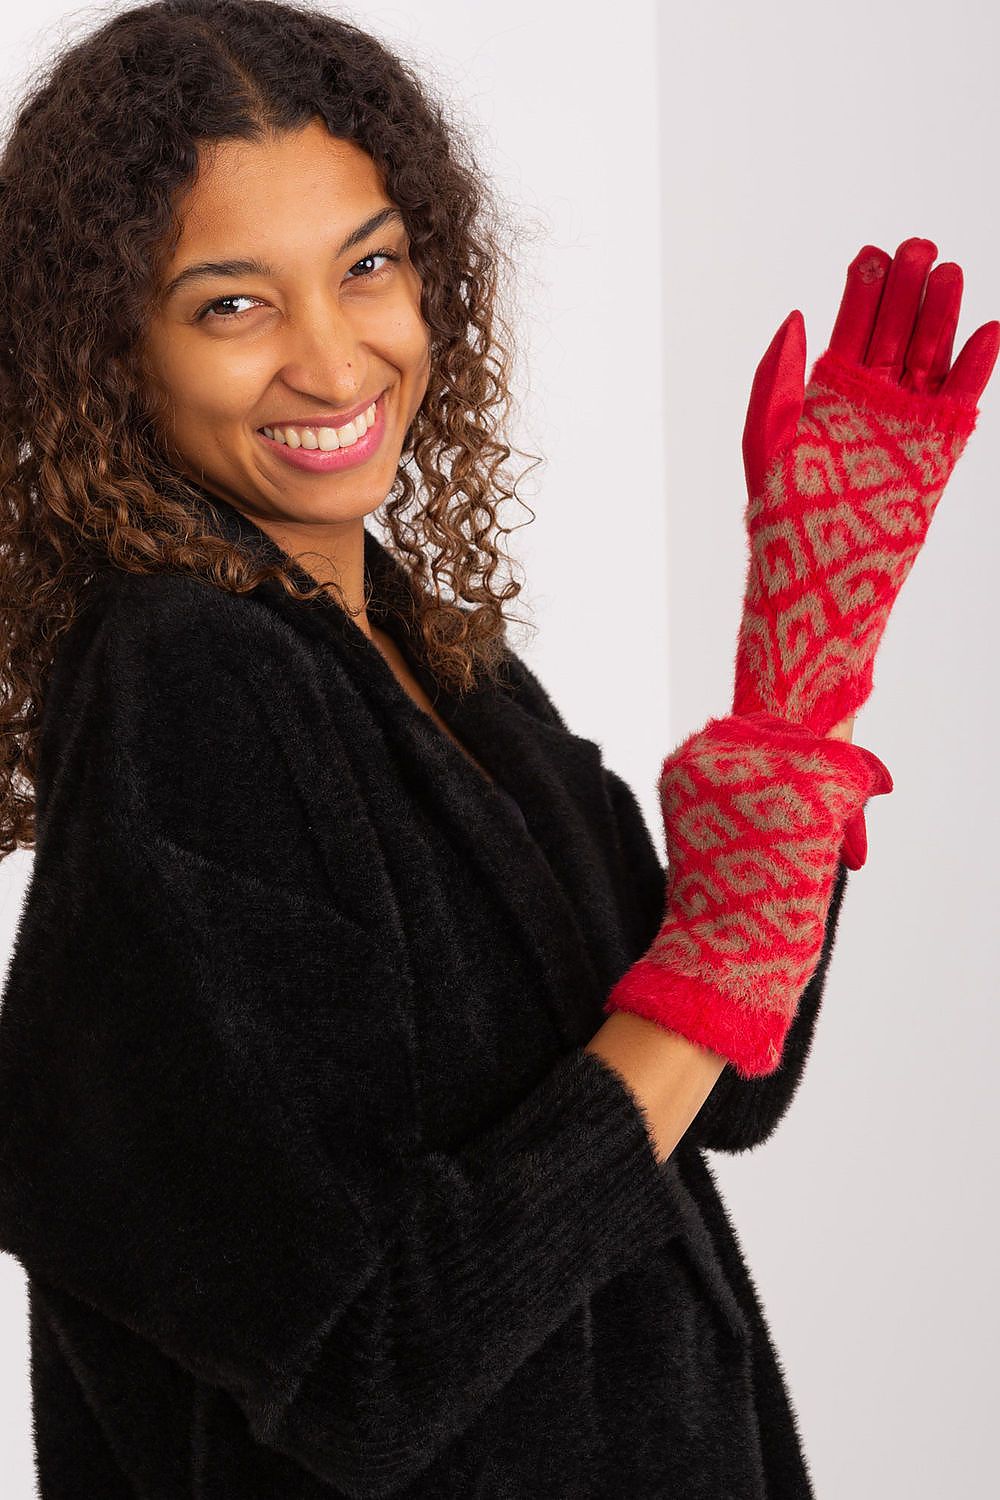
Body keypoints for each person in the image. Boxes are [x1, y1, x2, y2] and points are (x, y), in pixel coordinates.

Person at [0, 2, 995, 1496]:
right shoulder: (186, 684)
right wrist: (711, 971)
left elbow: (720, 1092)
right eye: (233, 305)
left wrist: (800, 681)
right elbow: (368, 1362)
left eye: (368, 266)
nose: (335, 361)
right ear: (108, 352)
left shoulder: (429, 655)